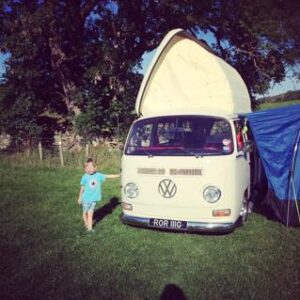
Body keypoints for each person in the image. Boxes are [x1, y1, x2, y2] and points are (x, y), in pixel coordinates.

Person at [77, 158, 120, 232]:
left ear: (95, 168)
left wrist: (117, 175)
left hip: (94, 199)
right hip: (86, 199)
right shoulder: (85, 177)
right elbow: (82, 188)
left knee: (90, 214)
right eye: (87, 167)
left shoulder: (98, 175)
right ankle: (86, 223)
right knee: (85, 212)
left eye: (90, 167)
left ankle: (90, 228)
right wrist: (80, 198)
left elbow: (108, 176)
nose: (88, 169)